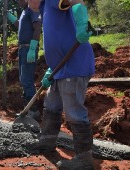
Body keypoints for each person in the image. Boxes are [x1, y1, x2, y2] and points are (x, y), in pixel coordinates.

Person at [38, 0, 95, 169]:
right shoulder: (44, 7)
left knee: (74, 112)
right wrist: (51, 69)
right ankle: (46, 143)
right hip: (59, 69)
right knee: (51, 105)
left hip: (74, 65)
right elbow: (57, 38)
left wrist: (82, 23)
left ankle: (84, 160)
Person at [7, 0, 42, 120]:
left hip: (28, 48)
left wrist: (32, 48)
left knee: (27, 79)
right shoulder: (24, 12)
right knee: (23, 79)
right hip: (23, 49)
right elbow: (20, 26)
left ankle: (34, 110)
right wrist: (10, 17)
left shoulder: (33, 9)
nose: (18, 2)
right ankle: (27, 109)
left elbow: (37, 28)